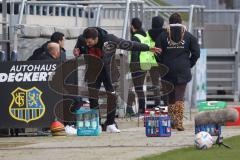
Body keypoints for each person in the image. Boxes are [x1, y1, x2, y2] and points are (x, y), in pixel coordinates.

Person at [73, 27, 161, 133]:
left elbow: (129, 44)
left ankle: (110, 123)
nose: (87, 44)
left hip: (108, 70)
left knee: (111, 96)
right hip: (93, 71)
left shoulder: (109, 39)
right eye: (86, 42)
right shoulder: (82, 39)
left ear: (96, 38)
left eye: (90, 42)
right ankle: (97, 123)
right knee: (93, 97)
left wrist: (148, 48)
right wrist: (76, 52)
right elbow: (78, 50)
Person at [155, 13, 200, 131]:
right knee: (179, 96)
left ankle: (172, 121)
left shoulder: (162, 36)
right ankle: (179, 122)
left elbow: (157, 52)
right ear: (181, 22)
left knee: (170, 97)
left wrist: (162, 64)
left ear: (169, 22)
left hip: (167, 70)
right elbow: (196, 53)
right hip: (183, 69)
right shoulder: (189, 36)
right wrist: (189, 64)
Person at [129, 17, 165, 115]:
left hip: (142, 62)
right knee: (156, 84)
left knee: (139, 87)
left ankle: (141, 109)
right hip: (154, 61)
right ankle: (157, 105)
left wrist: (132, 65)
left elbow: (136, 52)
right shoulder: (158, 34)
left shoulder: (144, 35)